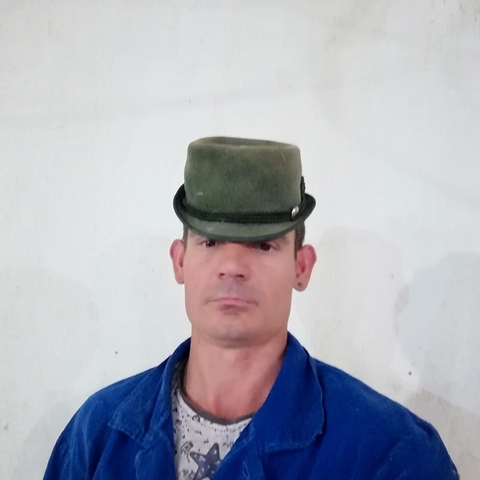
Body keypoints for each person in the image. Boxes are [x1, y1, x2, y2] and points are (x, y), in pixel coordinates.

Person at [43, 137, 458, 479]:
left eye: (263, 245)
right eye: (210, 241)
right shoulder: (98, 434)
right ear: (179, 261)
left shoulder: (388, 453)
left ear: (301, 266)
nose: (232, 266)